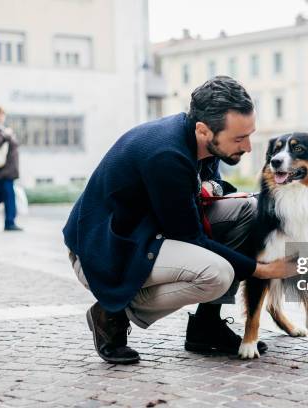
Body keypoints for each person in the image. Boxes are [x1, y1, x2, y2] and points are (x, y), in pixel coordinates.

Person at [63, 76, 294, 364]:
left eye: (249, 135)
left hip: (150, 231)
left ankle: (206, 327)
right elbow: (191, 237)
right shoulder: (167, 154)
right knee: (216, 274)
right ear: (203, 130)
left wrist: (211, 187)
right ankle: (111, 311)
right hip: (108, 252)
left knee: (250, 209)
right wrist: (262, 270)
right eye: (238, 139)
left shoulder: (200, 139)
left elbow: (215, 186)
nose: (248, 147)